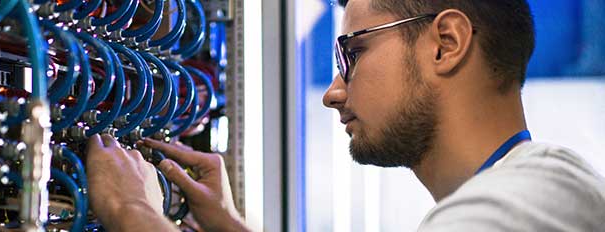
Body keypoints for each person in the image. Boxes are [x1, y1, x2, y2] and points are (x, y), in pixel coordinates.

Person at [86, 0, 605, 231]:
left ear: (446, 44)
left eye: (351, 55)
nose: (332, 93)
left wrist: (134, 213)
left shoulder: (526, 203)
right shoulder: (533, 190)